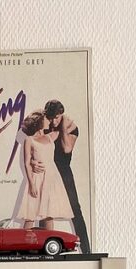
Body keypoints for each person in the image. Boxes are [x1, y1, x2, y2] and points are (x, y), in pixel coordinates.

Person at [12, 111, 74, 231]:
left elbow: (65, 125)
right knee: (30, 216)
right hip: (37, 178)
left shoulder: (50, 136)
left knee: (49, 215)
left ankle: (50, 240)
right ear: (39, 123)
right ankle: (24, 241)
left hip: (51, 178)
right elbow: (26, 163)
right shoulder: (29, 140)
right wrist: (31, 184)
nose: (49, 121)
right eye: (46, 119)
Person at [44, 99, 91, 254]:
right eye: (50, 118)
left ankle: (86, 251)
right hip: (48, 172)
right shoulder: (46, 126)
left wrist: (63, 127)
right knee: (44, 211)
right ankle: (45, 251)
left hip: (64, 172)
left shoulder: (71, 128)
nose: (53, 121)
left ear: (62, 115)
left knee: (75, 210)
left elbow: (66, 149)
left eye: (56, 118)